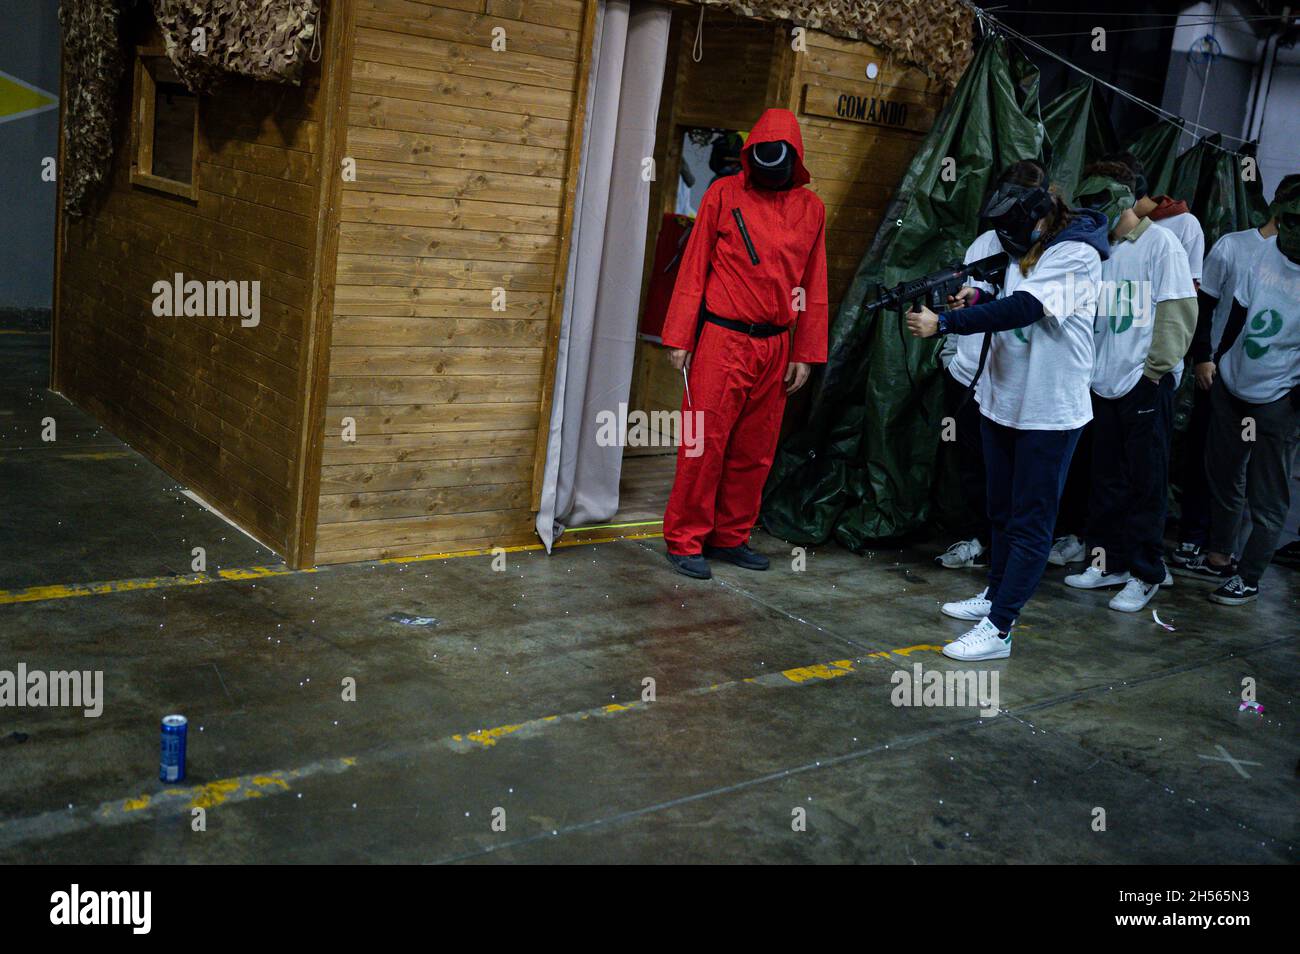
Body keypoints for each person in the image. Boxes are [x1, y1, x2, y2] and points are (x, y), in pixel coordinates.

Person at [907, 162, 1108, 660]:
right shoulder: (1028, 248)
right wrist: (973, 296)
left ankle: (1001, 627)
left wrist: (948, 322)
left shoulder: (1077, 253)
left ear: (1040, 220)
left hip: (1050, 410)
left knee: (1030, 522)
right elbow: (1003, 296)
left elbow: (1025, 308)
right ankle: (995, 594)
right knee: (999, 510)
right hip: (1003, 400)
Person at [659, 108, 828, 580]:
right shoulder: (723, 194)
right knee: (703, 444)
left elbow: (815, 283)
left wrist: (805, 352)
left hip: (775, 345)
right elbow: (694, 265)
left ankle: (730, 536)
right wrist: (680, 337)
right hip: (722, 337)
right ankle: (685, 539)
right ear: (750, 153)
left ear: (795, 160)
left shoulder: (811, 210)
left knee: (755, 450)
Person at [1063, 162, 1197, 612]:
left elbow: (1178, 314)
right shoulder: (1100, 248)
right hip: (1101, 385)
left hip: (1143, 384)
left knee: (1146, 484)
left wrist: (1153, 374)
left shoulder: (1162, 246)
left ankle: (1145, 572)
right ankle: (1107, 563)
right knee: (1105, 481)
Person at [1176, 191, 1300, 605]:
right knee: (1224, 476)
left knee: (1268, 496)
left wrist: (1291, 403)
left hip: (1277, 398)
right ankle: (1219, 555)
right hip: (1233, 385)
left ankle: (1248, 576)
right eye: (1291, 220)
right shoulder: (1260, 256)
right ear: (1279, 219)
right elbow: (1237, 318)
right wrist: (1212, 359)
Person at [933, 162, 1046, 570]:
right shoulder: (984, 244)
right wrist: (955, 328)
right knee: (971, 466)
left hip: (1016, 381)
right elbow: (973, 297)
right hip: (969, 374)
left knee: (1014, 478)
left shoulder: (1053, 251)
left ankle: (1007, 557)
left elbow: (1021, 310)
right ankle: (976, 538)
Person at [1106, 151, 1205, 286]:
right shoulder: (1111, 223)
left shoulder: (1184, 224)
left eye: (1112, 191)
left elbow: (1188, 288)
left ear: (1138, 187)